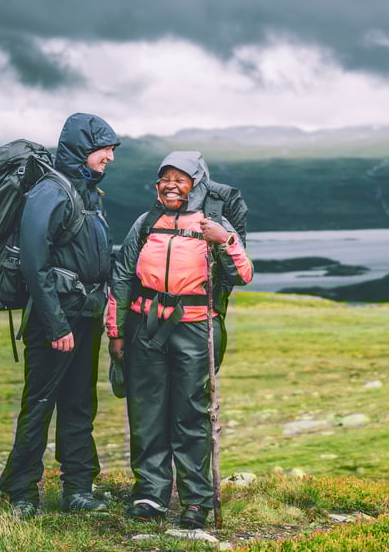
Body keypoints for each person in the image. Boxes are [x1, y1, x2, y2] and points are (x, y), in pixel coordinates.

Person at [107, 151, 253, 530]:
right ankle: (150, 495)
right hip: (146, 326)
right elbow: (122, 276)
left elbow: (242, 275)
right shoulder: (146, 223)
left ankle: (196, 502)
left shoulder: (214, 225)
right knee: (146, 411)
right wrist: (117, 331)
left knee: (191, 415)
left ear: (197, 182)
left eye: (181, 177)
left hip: (194, 327)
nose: (171, 184)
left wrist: (225, 240)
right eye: (165, 178)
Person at [0, 113, 120, 518]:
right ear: (85, 149)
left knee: (79, 402)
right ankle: (22, 494)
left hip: (84, 317)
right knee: (41, 402)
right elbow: (34, 261)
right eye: (106, 150)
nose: (110, 159)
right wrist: (55, 324)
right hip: (58, 320)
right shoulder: (51, 192)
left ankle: (78, 489)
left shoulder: (87, 194)